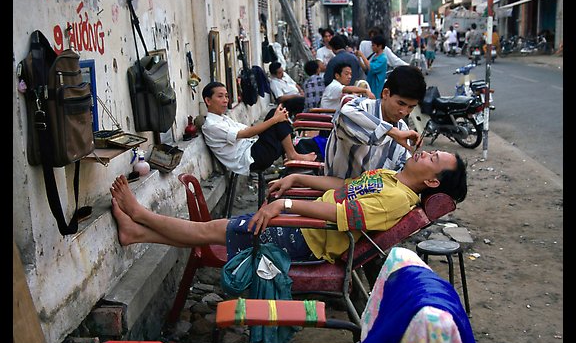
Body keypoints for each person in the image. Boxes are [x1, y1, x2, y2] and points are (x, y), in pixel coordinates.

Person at [110, 149, 467, 264]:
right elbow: (344, 188)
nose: (425, 152)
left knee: (209, 230)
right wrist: (298, 180)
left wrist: (285, 204)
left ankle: (139, 215)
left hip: (305, 240)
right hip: (303, 224)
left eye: (433, 158)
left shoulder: (395, 200)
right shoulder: (392, 177)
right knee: (213, 231)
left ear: (433, 181)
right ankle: (135, 231)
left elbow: (341, 215)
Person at [324, 65, 426, 179]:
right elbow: (344, 116)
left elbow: (401, 168)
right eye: (400, 104)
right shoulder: (360, 107)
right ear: (386, 93)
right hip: (338, 190)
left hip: (376, 194)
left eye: (411, 107)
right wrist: (391, 132)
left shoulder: (402, 129)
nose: (404, 112)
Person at [200, 82, 316, 176]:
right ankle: (292, 154)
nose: (225, 100)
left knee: (277, 119)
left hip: (254, 149)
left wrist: (275, 120)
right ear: (208, 101)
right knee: (273, 115)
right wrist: (274, 119)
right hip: (252, 159)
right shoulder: (212, 125)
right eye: (220, 96)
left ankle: (293, 154)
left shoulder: (223, 118)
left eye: (226, 96)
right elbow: (246, 134)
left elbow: (249, 130)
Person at [356, 34, 390, 99]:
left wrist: (362, 56)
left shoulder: (383, 59)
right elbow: (366, 70)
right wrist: (359, 58)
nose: (372, 47)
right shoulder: (375, 57)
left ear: (379, 46)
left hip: (376, 89)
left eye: (373, 45)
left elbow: (371, 68)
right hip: (370, 86)